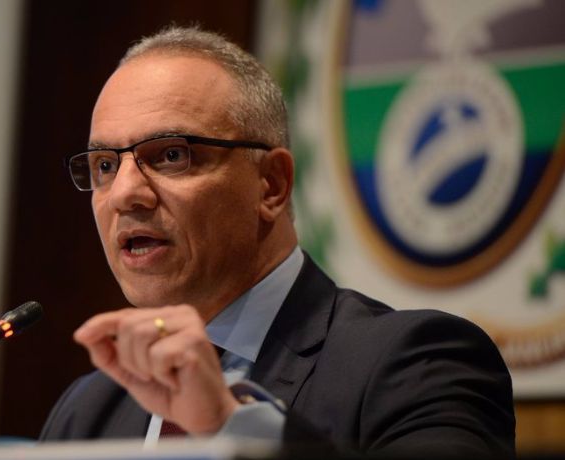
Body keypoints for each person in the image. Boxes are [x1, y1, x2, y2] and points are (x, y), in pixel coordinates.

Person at [40, 26, 515, 457]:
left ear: (271, 184)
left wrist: (229, 424)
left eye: (171, 155)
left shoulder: (417, 363)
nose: (124, 193)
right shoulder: (87, 411)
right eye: (105, 165)